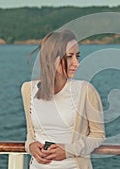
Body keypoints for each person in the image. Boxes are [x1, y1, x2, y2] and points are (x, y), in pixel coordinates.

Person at [21, 29, 105, 169]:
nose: (76, 63)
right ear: (51, 58)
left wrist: (69, 150)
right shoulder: (28, 90)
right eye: (69, 57)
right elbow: (31, 133)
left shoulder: (85, 91)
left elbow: (98, 135)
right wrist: (30, 146)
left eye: (77, 56)